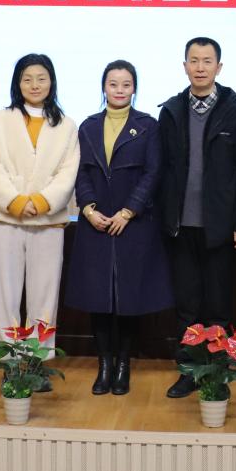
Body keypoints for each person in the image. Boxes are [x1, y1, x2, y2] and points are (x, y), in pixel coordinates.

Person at [156, 37, 236, 399]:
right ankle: (188, 371)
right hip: (180, 226)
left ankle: (216, 374)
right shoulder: (171, 111)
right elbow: (161, 170)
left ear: (219, 67)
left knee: (218, 306)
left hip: (220, 228)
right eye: (194, 60)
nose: (200, 67)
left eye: (207, 61)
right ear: (184, 66)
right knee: (187, 307)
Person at [65, 60, 172, 396]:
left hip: (133, 225)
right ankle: (104, 366)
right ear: (104, 87)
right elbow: (80, 171)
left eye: (126, 84)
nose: (120, 90)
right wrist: (88, 208)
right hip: (95, 223)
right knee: (98, 298)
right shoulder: (88, 126)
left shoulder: (148, 125)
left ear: (134, 88)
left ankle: (123, 365)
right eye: (113, 84)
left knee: (129, 298)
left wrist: (129, 211)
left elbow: (154, 173)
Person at [0, 53, 78, 380]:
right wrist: (16, 201)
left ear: (51, 82)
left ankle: (37, 364)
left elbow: (68, 172)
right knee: (4, 294)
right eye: (27, 79)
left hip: (48, 223)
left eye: (41, 78)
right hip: (6, 220)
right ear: (17, 83)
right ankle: (11, 363)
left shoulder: (66, 125)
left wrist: (41, 200)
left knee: (44, 294)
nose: (35, 85)